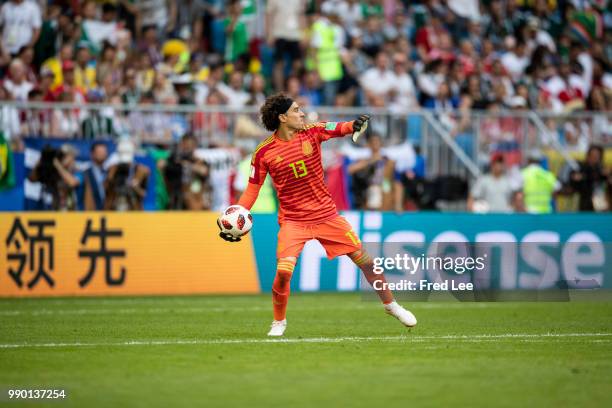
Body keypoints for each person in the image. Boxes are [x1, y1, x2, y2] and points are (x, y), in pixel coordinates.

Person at [218, 94, 417, 336]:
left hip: (326, 216)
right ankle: (279, 322)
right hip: (293, 221)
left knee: (366, 262)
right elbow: (252, 189)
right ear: (282, 117)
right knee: (283, 272)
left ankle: (391, 305)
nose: (302, 114)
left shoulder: (312, 131)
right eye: (297, 110)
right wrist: (239, 216)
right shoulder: (263, 152)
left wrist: (353, 125)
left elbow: (338, 128)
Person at [104, 139, 150, 211]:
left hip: (133, 208)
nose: (125, 165)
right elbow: (105, 190)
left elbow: (145, 194)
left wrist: (135, 187)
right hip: (115, 207)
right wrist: (111, 177)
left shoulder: (141, 171)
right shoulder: (113, 169)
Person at [84, 142, 108, 211]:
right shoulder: (86, 173)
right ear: (92, 154)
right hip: (90, 214)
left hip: (107, 213)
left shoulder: (108, 172)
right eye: (100, 152)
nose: (103, 154)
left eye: (104, 152)